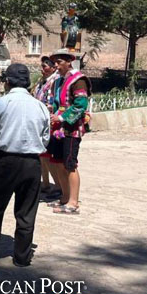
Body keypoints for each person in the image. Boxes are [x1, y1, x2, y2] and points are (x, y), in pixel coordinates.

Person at [0, 64, 50, 269]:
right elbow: (45, 138)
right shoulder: (40, 106)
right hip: (32, 163)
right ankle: (22, 255)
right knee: (26, 211)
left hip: (4, 161)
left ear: (7, 82)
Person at [47, 49, 90, 215]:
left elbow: (80, 105)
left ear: (68, 61)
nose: (56, 66)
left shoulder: (78, 80)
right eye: (55, 63)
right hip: (58, 130)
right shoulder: (58, 81)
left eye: (59, 62)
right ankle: (64, 197)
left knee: (70, 164)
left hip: (71, 130)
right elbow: (56, 102)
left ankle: (73, 202)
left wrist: (61, 117)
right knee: (57, 162)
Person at [32, 56, 60, 197]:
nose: (42, 69)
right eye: (42, 66)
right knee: (42, 155)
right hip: (40, 121)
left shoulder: (55, 82)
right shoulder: (42, 82)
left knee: (49, 156)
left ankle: (58, 186)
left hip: (50, 122)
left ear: (53, 68)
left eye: (45, 66)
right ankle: (46, 183)